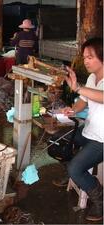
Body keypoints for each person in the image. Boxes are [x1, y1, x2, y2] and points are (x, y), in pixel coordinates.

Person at [61, 37, 103, 222]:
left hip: (102, 140)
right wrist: (73, 109)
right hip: (89, 131)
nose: (85, 61)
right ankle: (73, 176)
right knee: (59, 142)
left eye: (90, 57)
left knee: (76, 168)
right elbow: (84, 100)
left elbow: (101, 97)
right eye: (84, 57)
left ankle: (99, 199)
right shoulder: (93, 77)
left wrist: (77, 87)